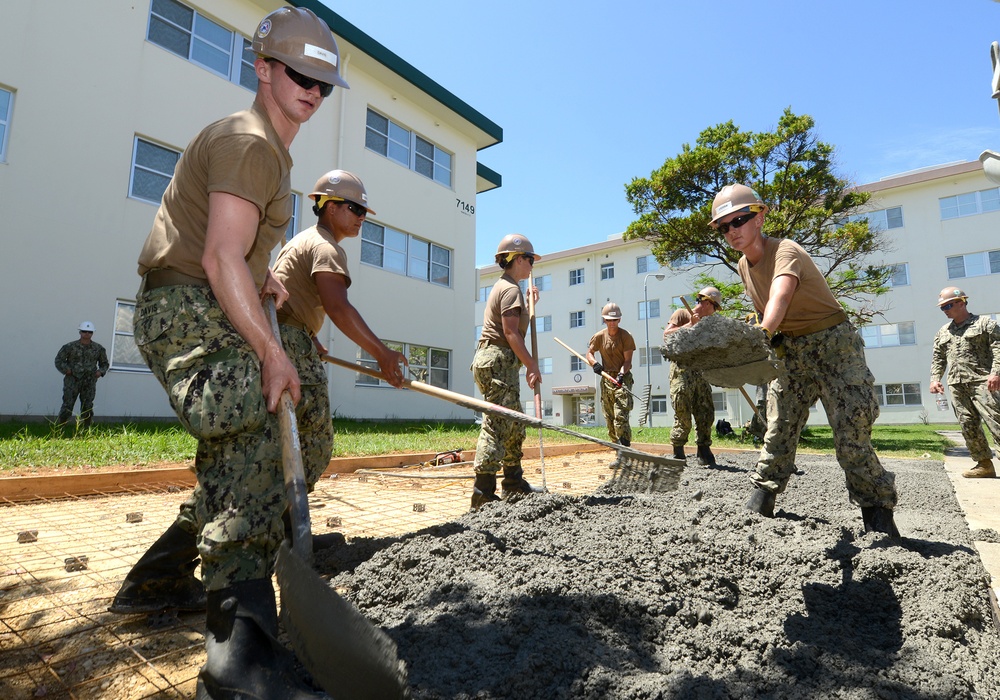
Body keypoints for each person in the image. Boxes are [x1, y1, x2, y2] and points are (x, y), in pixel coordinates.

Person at [110, 8, 348, 699]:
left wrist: (261, 271)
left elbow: (231, 246)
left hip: (204, 300)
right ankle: (236, 655)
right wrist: (270, 350)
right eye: (300, 75)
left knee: (284, 436)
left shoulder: (268, 148)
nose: (312, 91)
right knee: (260, 411)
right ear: (264, 68)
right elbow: (217, 256)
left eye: (324, 84)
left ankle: (197, 576)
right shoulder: (250, 142)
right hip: (184, 309)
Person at [710, 183, 900, 539]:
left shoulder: (785, 250)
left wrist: (761, 336)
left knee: (851, 433)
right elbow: (763, 308)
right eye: (724, 226)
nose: (732, 230)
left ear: (760, 215)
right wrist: (753, 343)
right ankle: (763, 495)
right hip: (790, 350)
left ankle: (877, 514)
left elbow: (780, 297)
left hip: (834, 347)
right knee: (778, 426)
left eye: (739, 219)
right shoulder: (742, 265)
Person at [271, 169, 408, 495]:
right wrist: (382, 355)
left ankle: (278, 531)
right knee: (315, 442)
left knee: (282, 441)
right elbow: (339, 308)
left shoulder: (303, 240)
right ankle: (288, 531)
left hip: (284, 337)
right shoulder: (326, 248)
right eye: (355, 209)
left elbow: (289, 297)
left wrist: (311, 336)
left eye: (363, 212)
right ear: (330, 207)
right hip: (288, 342)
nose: (362, 218)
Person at [471, 234, 542, 508]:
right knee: (498, 425)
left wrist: (529, 304)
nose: (532, 265)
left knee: (514, 424)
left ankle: (513, 483)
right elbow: (511, 334)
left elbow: (516, 329)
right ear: (517, 259)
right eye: (530, 260)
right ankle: (482, 494)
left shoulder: (510, 288)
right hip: (497, 360)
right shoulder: (509, 289)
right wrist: (532, 364)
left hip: (500, 361)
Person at [930, 286, 1000, 479]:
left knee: (996, 421)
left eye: (948, 305)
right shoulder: (944, 332)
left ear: (962, 302)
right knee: (968, 424)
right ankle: (984, 465)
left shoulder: (985, 324)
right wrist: (935, 379)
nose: (945, 310)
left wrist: (996, 373)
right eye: (942, 308)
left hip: (983, 382)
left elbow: (998, 349)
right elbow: (938, 358)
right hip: (957, 384)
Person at [662, 287, 721, 466]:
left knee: (706, 412)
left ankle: (704, 450)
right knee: (682, 411)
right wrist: (690, 326)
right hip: (682, 371)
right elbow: (667, 336)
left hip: (701, 372)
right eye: (715, 307)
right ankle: (678, 450)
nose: (715, 311)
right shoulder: (681, 314)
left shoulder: (710, 324)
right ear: (706, 302)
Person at [586, 303, 636, 446]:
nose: (612, 323)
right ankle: (617, 448)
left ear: (619, 320)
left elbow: (628, 361)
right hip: (606, 379)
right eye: (609, 320)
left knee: (621, 415)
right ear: (604, 320)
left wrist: (620, 375)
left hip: (622, 378)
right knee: (609, 418)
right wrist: (594, 363)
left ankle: (625, 450)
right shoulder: (599, 337)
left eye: (615, 320)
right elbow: (589, 353)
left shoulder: (626, 337)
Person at [54, 321, 109, 429]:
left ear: (92, 333)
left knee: (87, 406)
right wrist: (67, 370)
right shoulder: (69, 346)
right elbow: (59, 360)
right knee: (67, 405)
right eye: (84, 331)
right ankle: (60, 428)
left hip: (89, 381)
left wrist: (100, 372)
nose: (87, 334)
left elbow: (104, 363)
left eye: (90, 332)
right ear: (80, 332)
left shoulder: (98, 348)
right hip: (72, 380)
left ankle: (86, 429)